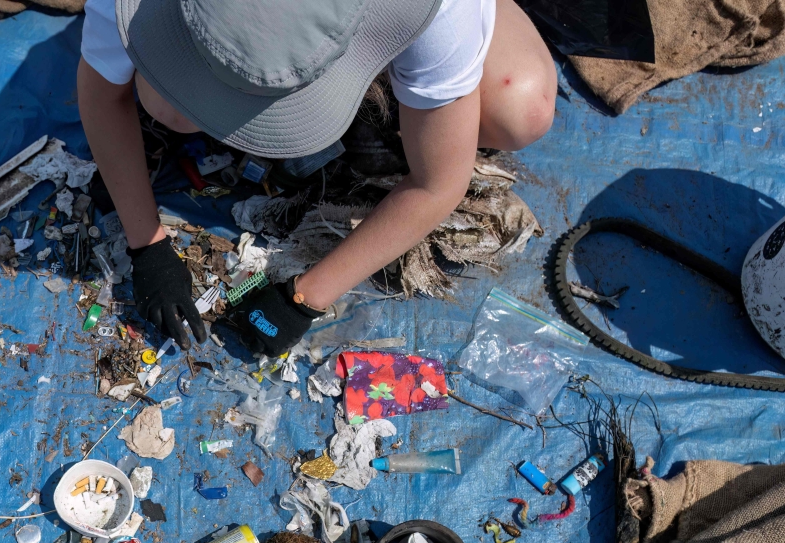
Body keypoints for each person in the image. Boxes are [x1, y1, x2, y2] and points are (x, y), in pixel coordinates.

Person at [78, 0, 556, 355]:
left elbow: (438, 183)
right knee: (167, 106)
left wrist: (306, 297)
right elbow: (103, 97)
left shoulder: (442, 9)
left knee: (521, 112)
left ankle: (406, 84)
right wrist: (148, 245)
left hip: (402, 20)